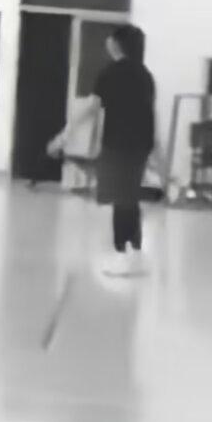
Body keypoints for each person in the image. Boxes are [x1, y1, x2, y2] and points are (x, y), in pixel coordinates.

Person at [49, 25, 160, 274]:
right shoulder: (145, 75)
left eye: (110, 40)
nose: (107, 43)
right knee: (129, 198)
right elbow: (151, 115)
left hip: (119, 144)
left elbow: (90, 109)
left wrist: (63, 137)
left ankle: (123, 255)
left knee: (122, 200)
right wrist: (157, 155)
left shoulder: (111, 73)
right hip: (140, 145)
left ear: (117, 44)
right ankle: (135, 254)